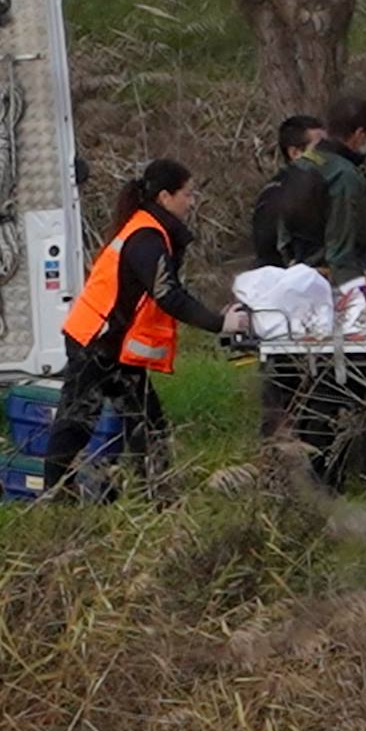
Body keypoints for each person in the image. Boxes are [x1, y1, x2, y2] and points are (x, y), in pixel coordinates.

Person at [46, 159, 225, 496]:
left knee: (147, 423)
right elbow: (168, 295)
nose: (192, 201)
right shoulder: (146, 237)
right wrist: (220, 323)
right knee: (77, 424)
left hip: (111, 344)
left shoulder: (147, 230)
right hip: (95, 342)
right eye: (187, 194)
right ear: (165, 197)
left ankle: (157, 497)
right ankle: (54, 501)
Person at [277, 96, 366, 285]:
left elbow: (283, 228)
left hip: (297, 273)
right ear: (359, 134)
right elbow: (342, 243)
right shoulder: (344, 174)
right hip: (331, 281)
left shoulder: (301, 164)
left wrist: (292, 264)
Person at [252, 114, 324, 267]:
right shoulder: (275, 196)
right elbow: (268, 254)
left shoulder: (325, 187)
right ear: (295, 153)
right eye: (319, 149)